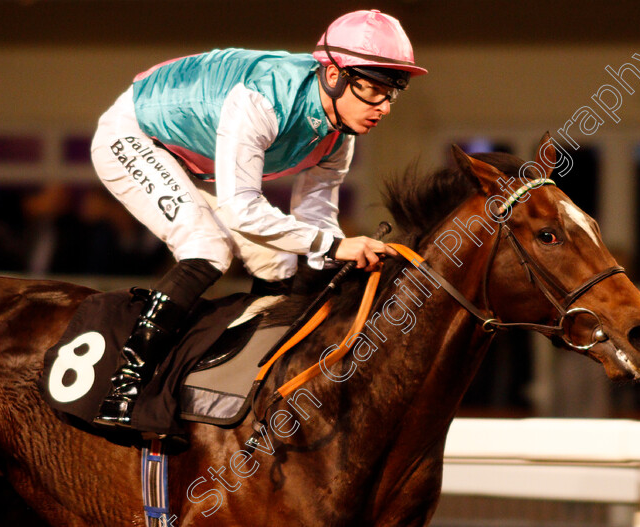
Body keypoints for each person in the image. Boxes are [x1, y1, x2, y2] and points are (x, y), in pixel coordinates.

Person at [89, 9, 427, 428]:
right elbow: (242, 209)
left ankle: (241, 379)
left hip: (199, 159)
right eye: (374, 90)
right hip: (135, 133)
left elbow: (316, 213)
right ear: (334, 75)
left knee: (279, 262)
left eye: (393, 93)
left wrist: (341, 259)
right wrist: (337, 246)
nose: (384, 107)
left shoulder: (340, 132)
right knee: (207, 247)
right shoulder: (263, 99)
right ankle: (125, 387)